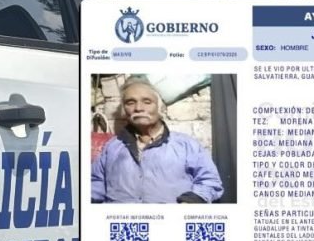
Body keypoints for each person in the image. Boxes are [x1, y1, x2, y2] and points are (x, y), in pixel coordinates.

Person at [91, 79, 223, 204]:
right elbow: (95, 184)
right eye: (130, 102)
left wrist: (190, 203)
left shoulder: (186, 145)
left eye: (147, 102)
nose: (138, 108)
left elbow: (210, 182)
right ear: (124, 110)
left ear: (160, 108)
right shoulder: (112, 147)